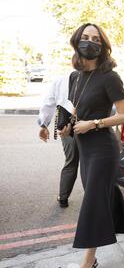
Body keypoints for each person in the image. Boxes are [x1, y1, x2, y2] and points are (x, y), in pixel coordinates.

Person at [60, 23, 124, 268]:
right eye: (85, 37)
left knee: (93, 200)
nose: (90, 42)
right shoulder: (74, 77)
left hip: (102, 147)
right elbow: (78, 110)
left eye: (96, 39)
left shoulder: (109, 77)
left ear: (102, 46)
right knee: (107, 195)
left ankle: (89, 261)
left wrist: (94, 124)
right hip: (83, 145)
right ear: (76, 41)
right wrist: (68, 126)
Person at [38, 74, 78, 208]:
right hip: (88, 123)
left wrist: (44, 125)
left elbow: (49, 102)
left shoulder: (60, 79)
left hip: (65, 123)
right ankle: (94, 199)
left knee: (71, 161)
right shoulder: (94, 75)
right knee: (89, 163)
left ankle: (63, 197)